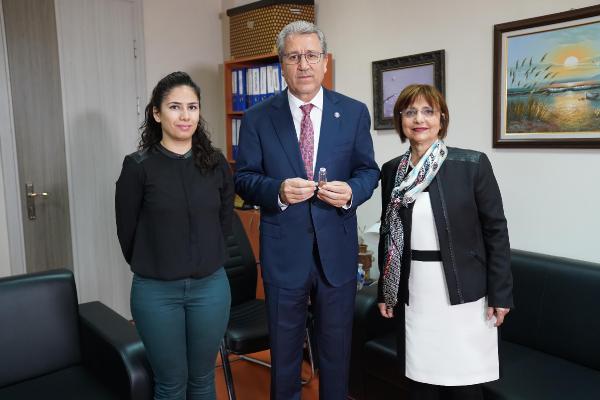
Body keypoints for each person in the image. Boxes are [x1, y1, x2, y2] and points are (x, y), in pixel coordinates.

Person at [234, 21, 379, 400]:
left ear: (325, 61)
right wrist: (278, 190)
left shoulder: (353, 112)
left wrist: (351, 192)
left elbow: (369, 171)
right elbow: (244, 178)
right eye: (294, 56)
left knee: (337, 352)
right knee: (284, 356)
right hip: (284, 253)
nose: (304, 64)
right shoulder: (257, 117)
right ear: (282, 64)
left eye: (312, 55)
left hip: (337, 251)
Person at [377, 84, 513, 400]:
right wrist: (387, 289)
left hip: (465, 291)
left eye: (428, 111)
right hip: (415, 291)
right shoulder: (392, 171)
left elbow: (496, 231)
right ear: (400, 120)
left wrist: (501, 293)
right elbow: (389, 234)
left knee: (464, 386)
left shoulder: (472, 165)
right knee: (419, 383)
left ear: (442, 119)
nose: (419, 119)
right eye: (410, 112)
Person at [115, 71, 234, 400]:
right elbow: (127, 233)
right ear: (157, 113)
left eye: (192, 107)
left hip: (210, 289)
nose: (185, 116)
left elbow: (224, 223)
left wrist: (204, 256)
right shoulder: (138, 166)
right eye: (175, 107)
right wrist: (157, 261)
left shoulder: (216, 164)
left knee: (203, 379)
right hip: (156, 292)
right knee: (170, 383)